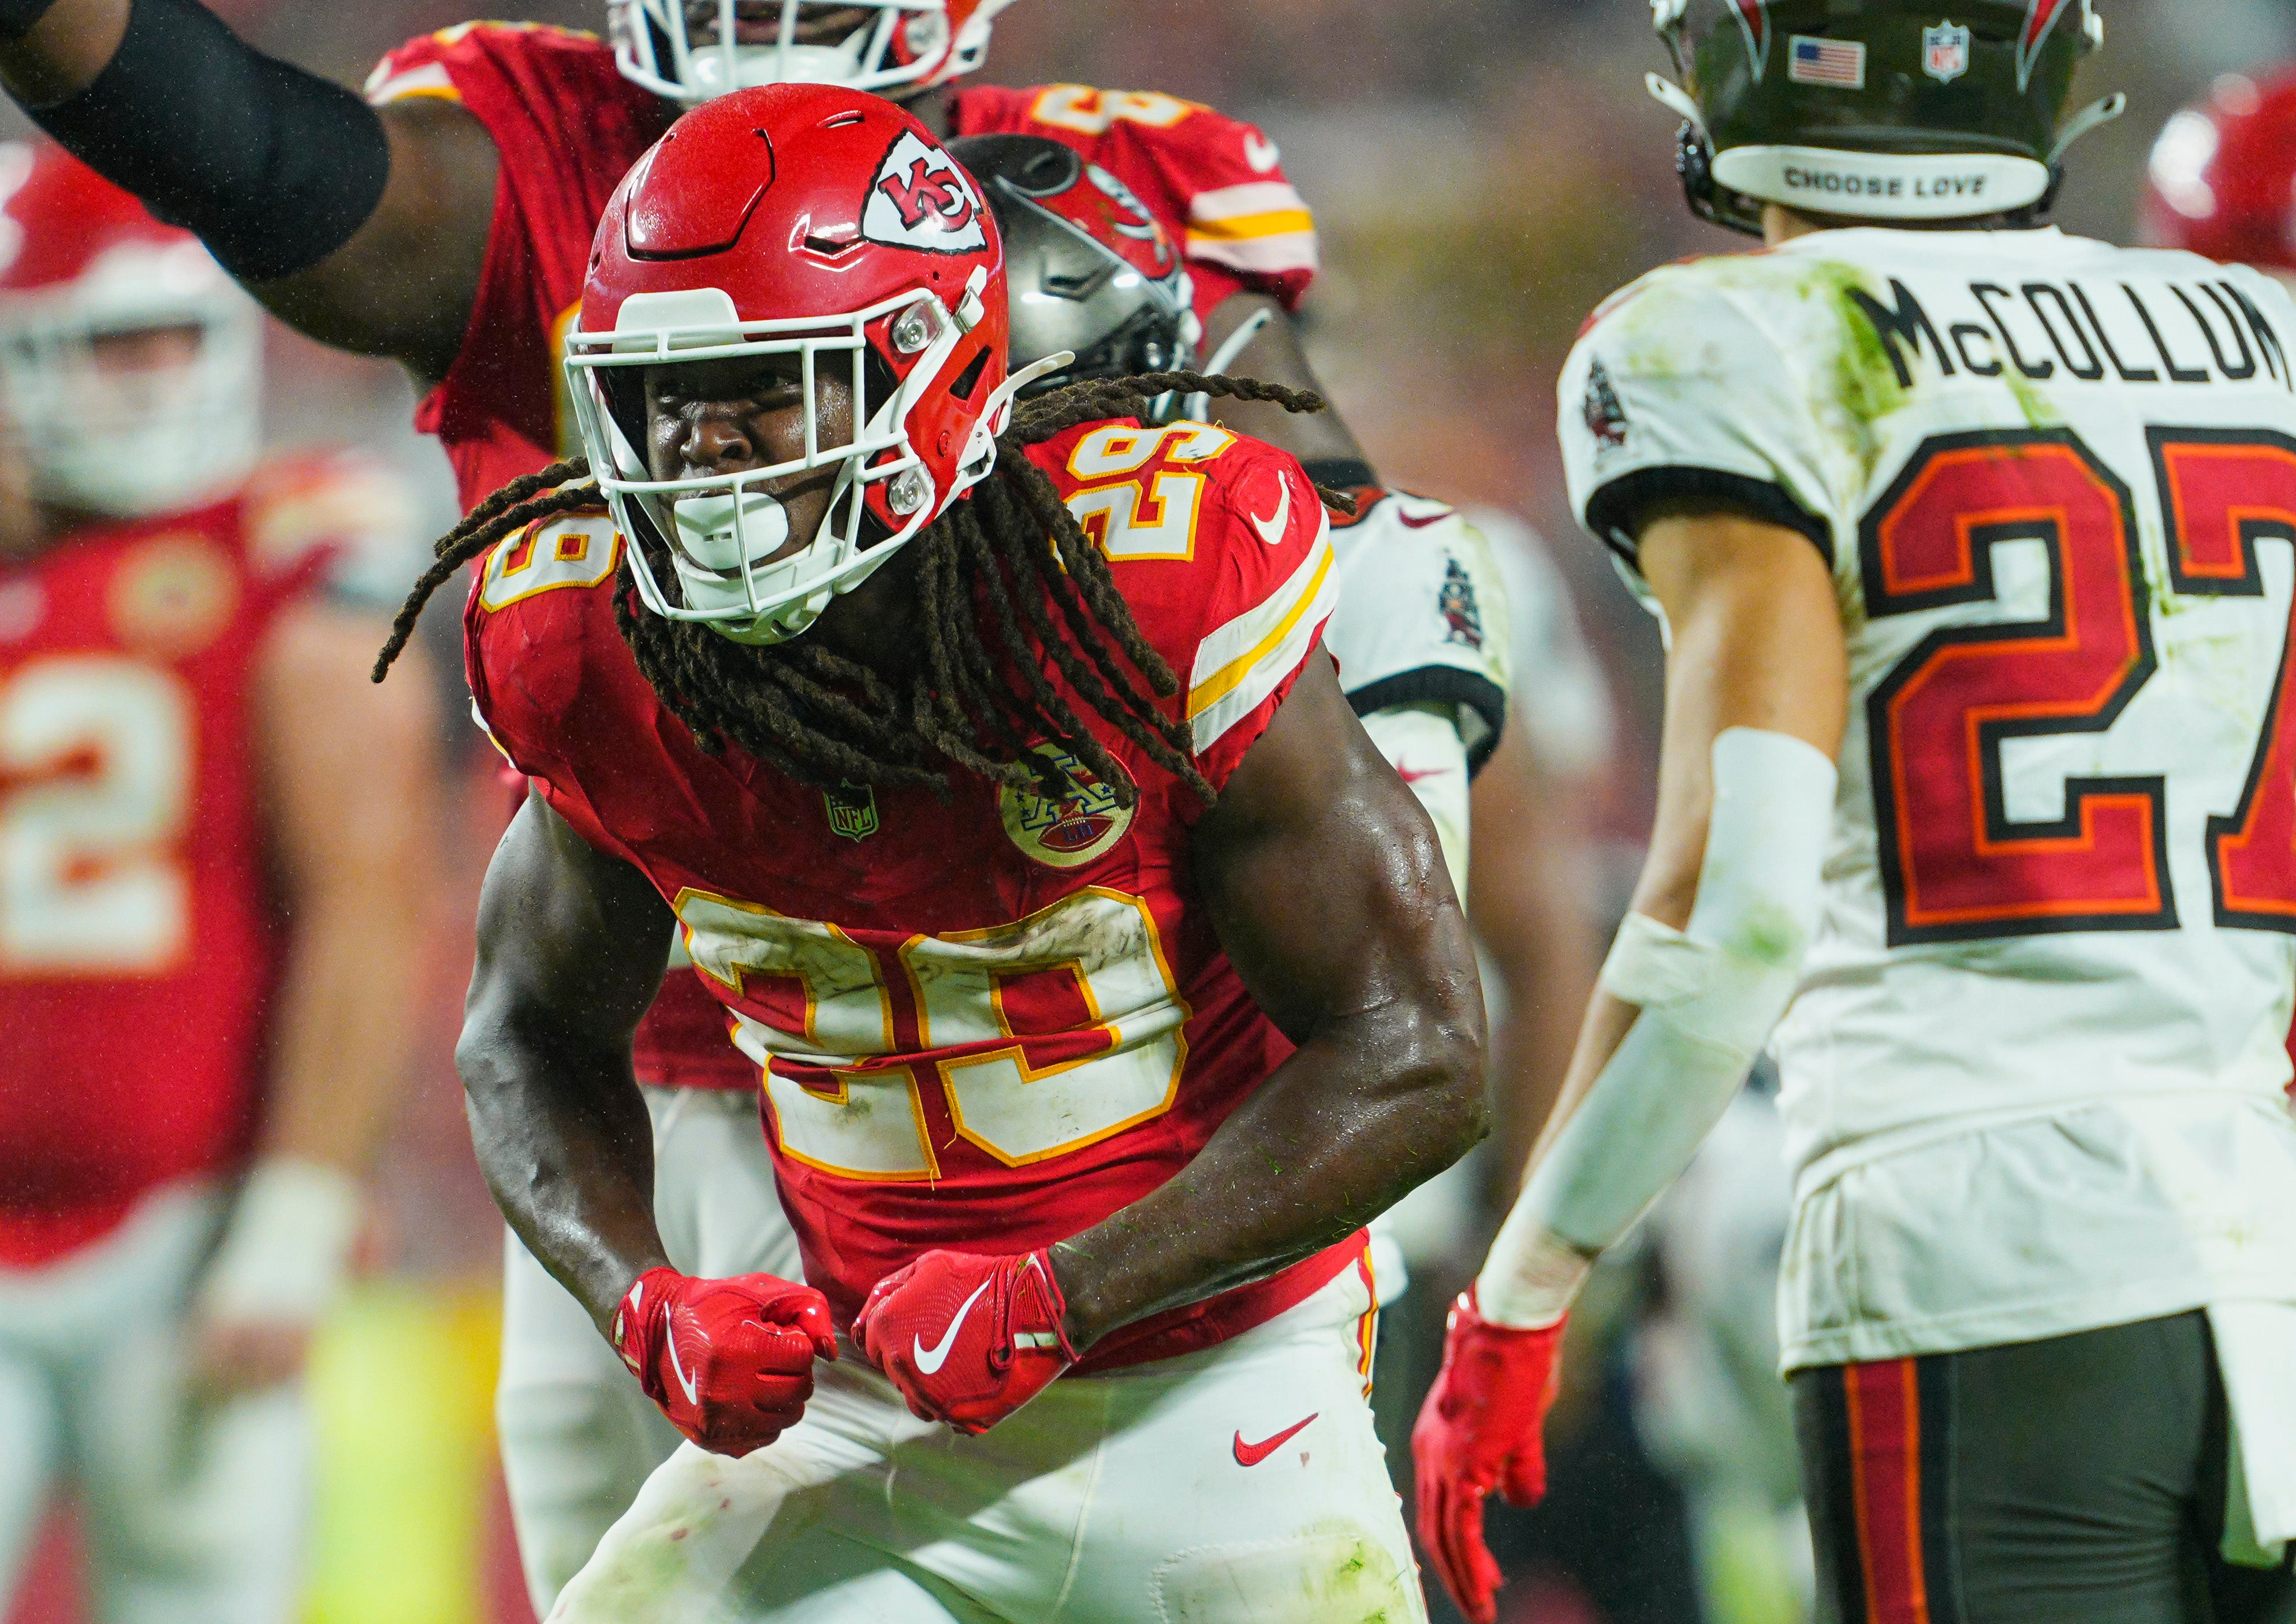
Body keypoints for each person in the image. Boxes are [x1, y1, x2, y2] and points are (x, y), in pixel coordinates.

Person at [0, 6, 1384, 1606]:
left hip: (1111, 1132)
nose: (713, 462)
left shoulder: (1118, 203)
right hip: (671, 1080)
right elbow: (235, 145)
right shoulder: (538, 175)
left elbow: (1370, 603)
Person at [372, 84, 1484, 1622]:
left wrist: (1064, 1289)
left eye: (766, 383)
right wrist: (643, 1295)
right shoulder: (589, 645)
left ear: (938, 371)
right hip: (864, 1406)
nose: (703, 452)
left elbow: (1422, 1046)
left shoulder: (1145, 587)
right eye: (662, 400)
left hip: (1218, 1391)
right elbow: (523, 1033)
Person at [1411, 4, 2296, 1623]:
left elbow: (1734, 907)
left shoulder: (1727, 339)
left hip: (1974, 1235)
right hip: (2263, 1225)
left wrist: (1523, 1291)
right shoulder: (2259, 329)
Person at [0, 145, 434, 1623]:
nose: (159, 378)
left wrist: (304, 1198)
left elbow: (368, 891)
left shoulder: (284, 549)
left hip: (182, 1222)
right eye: (115, 341)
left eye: (182, 335)